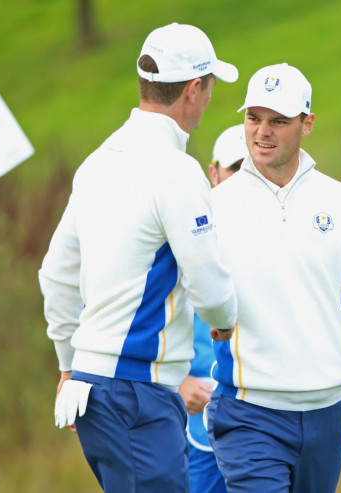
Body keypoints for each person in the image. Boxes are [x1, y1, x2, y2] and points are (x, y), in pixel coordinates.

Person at [38, 23, 239, 493]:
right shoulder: (177, 172)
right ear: (193, 90)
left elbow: (56, 276)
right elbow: (209, 286)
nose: (208, 99)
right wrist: (225, 321)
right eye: (209, 88)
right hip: (135, 394)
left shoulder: (98, 161)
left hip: (94, 387)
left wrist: (70, 364)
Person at [206, 63, 341, 492]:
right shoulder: (212, 207)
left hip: (328, 414)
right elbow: (168, 291)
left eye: (278, 121)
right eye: (254, 118)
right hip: (249, 414)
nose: (262, 132)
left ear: (307, 124)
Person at [179, 124, 246, 493]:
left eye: (249, 167)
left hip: (265, 413)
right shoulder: (186, 231)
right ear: (214, 172)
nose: (241, 178)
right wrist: (178, 383)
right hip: (198, 416)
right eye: (234, 168)